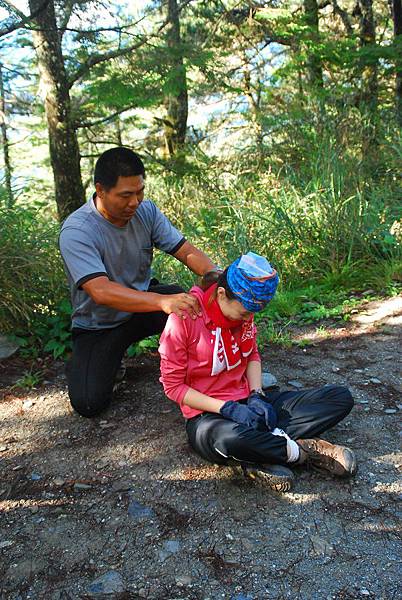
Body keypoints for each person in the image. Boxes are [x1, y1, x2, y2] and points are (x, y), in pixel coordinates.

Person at [159, 252, 357, 492]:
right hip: (208, 415)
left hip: (248, 403)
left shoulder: (245, 312)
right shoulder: (184, 318)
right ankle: (302, 451)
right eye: (244, 313)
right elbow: (173, 387)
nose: (248, 319)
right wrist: (227, 408)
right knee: (229, 439)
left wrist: (256, 394)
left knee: (339, 397)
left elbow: (251, 354)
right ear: (221, 294)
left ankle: (262, 455)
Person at [59, 147, 217, 418]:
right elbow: (101, 291)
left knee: (188, 302)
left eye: (140, 191)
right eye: (126, 195)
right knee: (88, 403)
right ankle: (94, 362)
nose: (135, 201)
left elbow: (186, 251)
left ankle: (207, 365)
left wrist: (218, 276)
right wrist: (162, 302)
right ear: (101, 190)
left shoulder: (146, 212)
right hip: (99, 324)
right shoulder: (77, 231)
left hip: (141, 307)